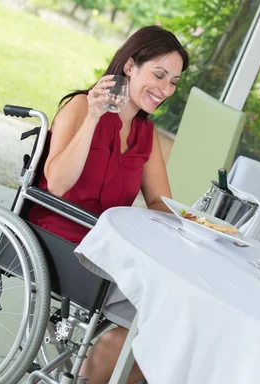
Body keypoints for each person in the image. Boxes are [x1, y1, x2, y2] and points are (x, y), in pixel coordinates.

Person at [27, 25, 189, 384]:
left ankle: (97, 370)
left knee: (172, 321)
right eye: (158, 75)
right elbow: (57, 182)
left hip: (107, 248)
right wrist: (94, 119)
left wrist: (195, 225)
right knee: (155, 319)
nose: (165, 89)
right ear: (130, 66)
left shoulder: (145, 134)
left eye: (174, 81)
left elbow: (161, 204)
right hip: (60, 238)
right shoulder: (81, 107)